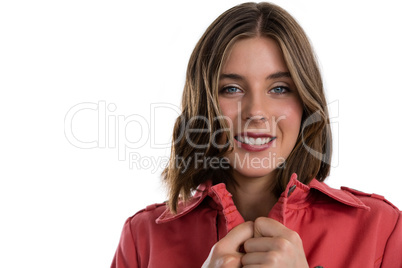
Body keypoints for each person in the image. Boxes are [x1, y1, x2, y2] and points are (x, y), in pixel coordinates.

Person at [111, 2, 402, 267]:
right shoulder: (142, 238)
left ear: (305, 103)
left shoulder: (382, 229)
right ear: (203, 106)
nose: (256, 112)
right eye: (231, 89)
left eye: (279, 89)